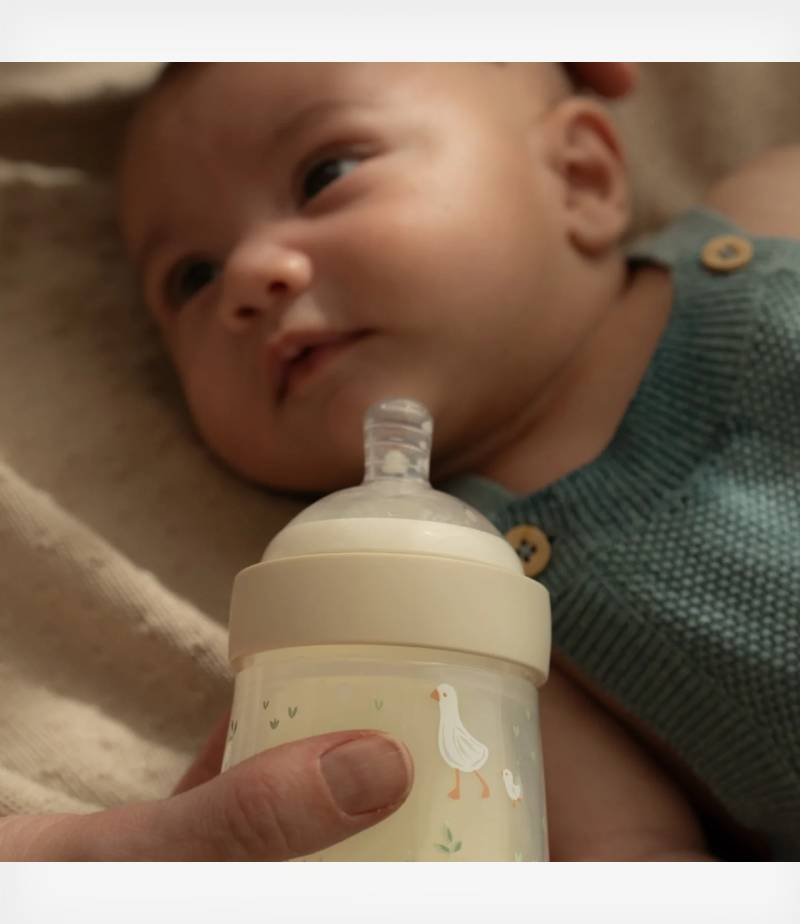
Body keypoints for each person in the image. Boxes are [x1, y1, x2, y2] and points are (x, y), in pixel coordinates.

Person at [4, 61, 797, 860]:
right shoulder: (457, 620)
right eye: (192, 279)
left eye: (326, 176)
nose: (247, 275)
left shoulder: (772, 211)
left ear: (580, 176)